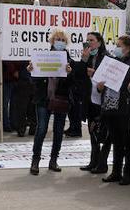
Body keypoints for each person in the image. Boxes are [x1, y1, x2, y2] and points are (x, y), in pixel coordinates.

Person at [28, 30, 78, 175]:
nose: (60, 41)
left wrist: (69, 73)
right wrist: (31, 70)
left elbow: (73, 83)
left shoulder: (70, 60)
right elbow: (35, 80)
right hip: (44, 99)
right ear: (51, 41)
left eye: (63, 39)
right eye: (57, 39)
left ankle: (53, 160)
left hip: (61, 100)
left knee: (58, 131)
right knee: (42, 129)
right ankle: (35, 160)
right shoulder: (42, 57)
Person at [99, 35, 130, 186]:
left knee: (129, 143)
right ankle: (116, 172)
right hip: (112, 108)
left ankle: (128, 174)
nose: (117, 48)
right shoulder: (113, 62)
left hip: (128, 109)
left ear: (129, 47)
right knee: (116, 142)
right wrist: (101, 86)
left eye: (120, 45)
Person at [79, 32, 109, 174]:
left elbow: (110, 77)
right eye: (87, 40)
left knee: (102, 133)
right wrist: (83, 61)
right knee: (92, 132)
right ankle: (93, 162)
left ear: (99, 42)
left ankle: (102, 163)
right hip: (90, 100)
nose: (89, 43)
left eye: (92, 40)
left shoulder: (107, 57)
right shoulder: (88, 56)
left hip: (102, 101)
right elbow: (78, 74)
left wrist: (94, 73)